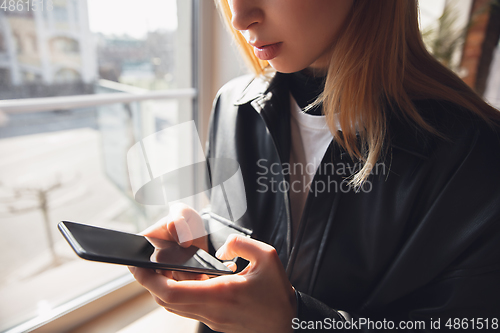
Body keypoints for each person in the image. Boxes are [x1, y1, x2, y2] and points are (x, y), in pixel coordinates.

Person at [129, 0, 500, 332]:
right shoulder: (235, 104)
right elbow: (253, 233)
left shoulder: (477, 151)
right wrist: (203, 236)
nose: (238, 17)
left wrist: (295, 322)